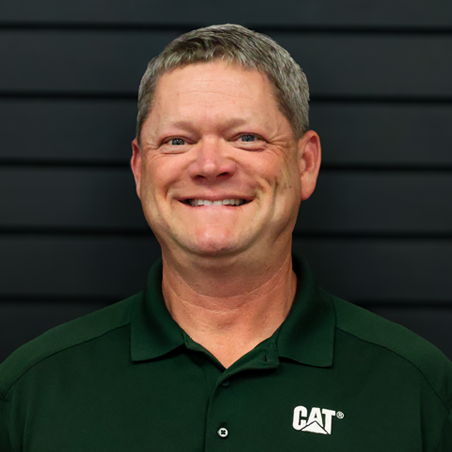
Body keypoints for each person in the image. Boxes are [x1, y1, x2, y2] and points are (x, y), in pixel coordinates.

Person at [1, 24, 451, 451]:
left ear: (305, 164)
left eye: (246, 137)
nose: (210, 165)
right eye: (177, 141)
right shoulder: (31, 388)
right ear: (140, 170)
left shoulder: (418, 388)